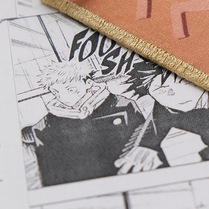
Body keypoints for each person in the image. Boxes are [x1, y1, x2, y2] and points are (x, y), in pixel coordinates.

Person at [22, 61, 161, 187]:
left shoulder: (123, 105)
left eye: (71, 89)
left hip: (126, 179)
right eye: (56, 93)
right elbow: (49, 170)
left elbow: (145, 140)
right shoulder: (46, 124)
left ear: (88, 84)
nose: (64, 98)